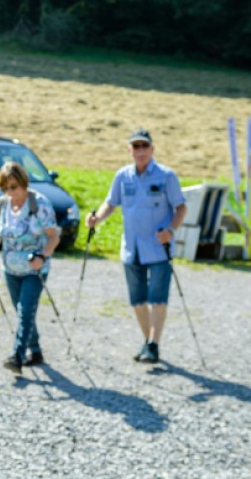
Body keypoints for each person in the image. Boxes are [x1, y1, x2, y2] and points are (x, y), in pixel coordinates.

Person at [85, 129, 186, 364]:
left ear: (152, 149)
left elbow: (181, 208)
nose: (141, 151)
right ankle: (148, 342)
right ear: (129, 150)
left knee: (158, 299)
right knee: (137, 301)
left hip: (159, 248)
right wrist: (96, 219)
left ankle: (154, 344)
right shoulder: (122, 176)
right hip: (132, 249)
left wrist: (170, 230)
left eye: (144, 146)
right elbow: (110, 203)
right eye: (136, 146)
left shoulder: (166, 176)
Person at [0, 161, 60, 376]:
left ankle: (17, 356)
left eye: (13, 187)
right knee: (23, 312)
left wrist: (42, 256)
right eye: (5, 188)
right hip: (10, 269)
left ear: (23, 183)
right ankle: (36, 350)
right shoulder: (2, 204)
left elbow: (53, 237)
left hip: (35, 269)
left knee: (25, 311)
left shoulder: (39, 204)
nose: (10, 192)